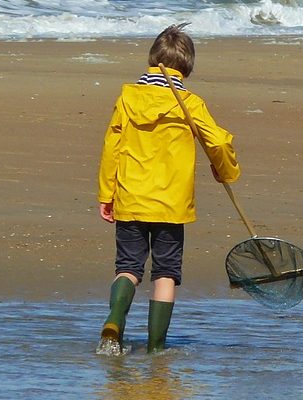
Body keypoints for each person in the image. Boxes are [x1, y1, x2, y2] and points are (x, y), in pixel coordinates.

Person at [97, 23, 241, 354]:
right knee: (165, 273)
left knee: (128, 267)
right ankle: (155, 348)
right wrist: (226, 170)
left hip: (132, 196)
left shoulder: (128, 97)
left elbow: (112, 147)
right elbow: (217, 140)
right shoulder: (190, 102)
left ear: (153, 60)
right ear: (186, 66)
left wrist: (107, 193)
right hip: (172, 203)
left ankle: (114, 320)